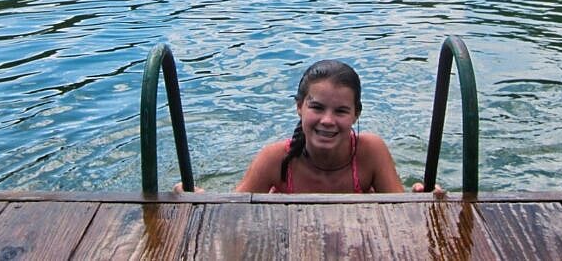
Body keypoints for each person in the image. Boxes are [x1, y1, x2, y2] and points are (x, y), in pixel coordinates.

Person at [177, 59, 443, 195]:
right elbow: (230, 212)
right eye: (317, 108)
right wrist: (197, 199)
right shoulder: (276, 158)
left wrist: (423, 201)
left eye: (341, 111)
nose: (327, 120)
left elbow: (400, 211)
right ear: (299, 107)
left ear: (356, 115)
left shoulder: (370, 152)